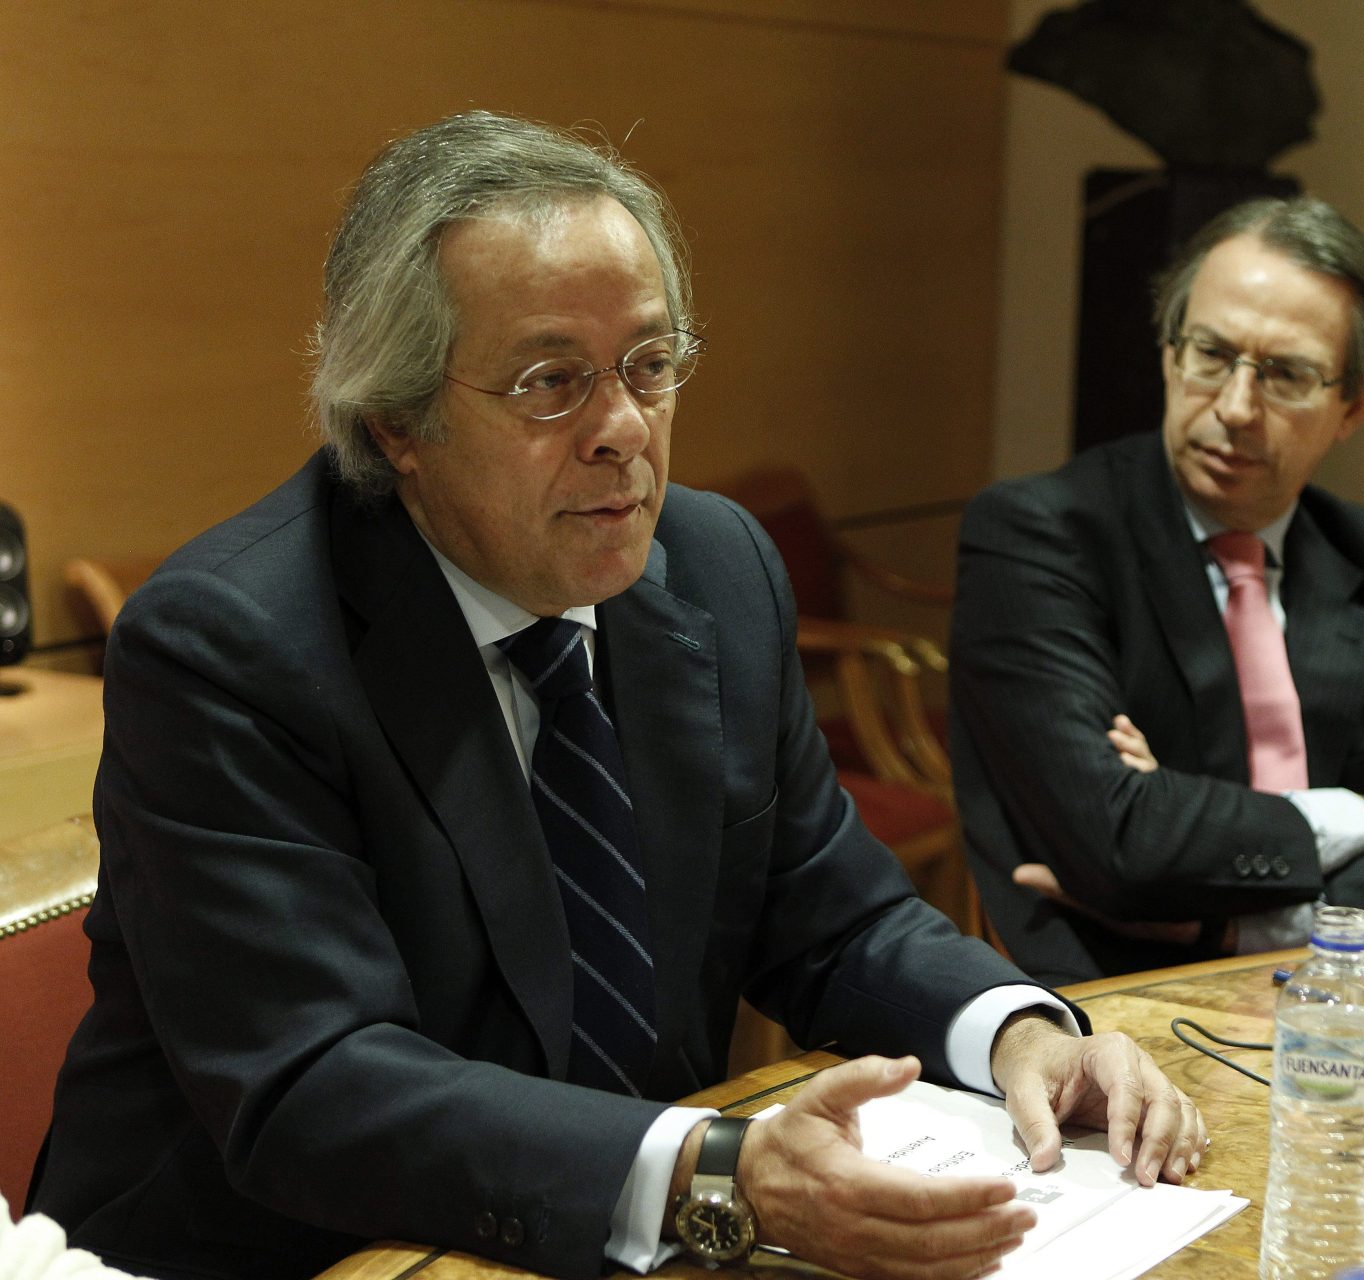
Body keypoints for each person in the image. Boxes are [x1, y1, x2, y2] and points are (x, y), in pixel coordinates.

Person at [28, 111, 1205, 1280]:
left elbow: (834, 917)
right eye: (552, 382)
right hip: (278, 1251)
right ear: (397, 421)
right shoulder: (231, 646)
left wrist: (1020, 1031)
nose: (625, 429)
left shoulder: (718, 570)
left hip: (596, 1238)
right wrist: (712, 1170)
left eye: (649, 364)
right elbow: (315, 1082)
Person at [949, 196, 1364, 985]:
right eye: (1211, 355)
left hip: (1352, 1009)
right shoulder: (1040, 535)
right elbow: (1117, 842)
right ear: (1168, 354)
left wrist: (1239, 926)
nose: (1235, 406)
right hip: (1120, 1004)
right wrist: (1354, 815)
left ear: (1358, 404)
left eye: (1286, 375)